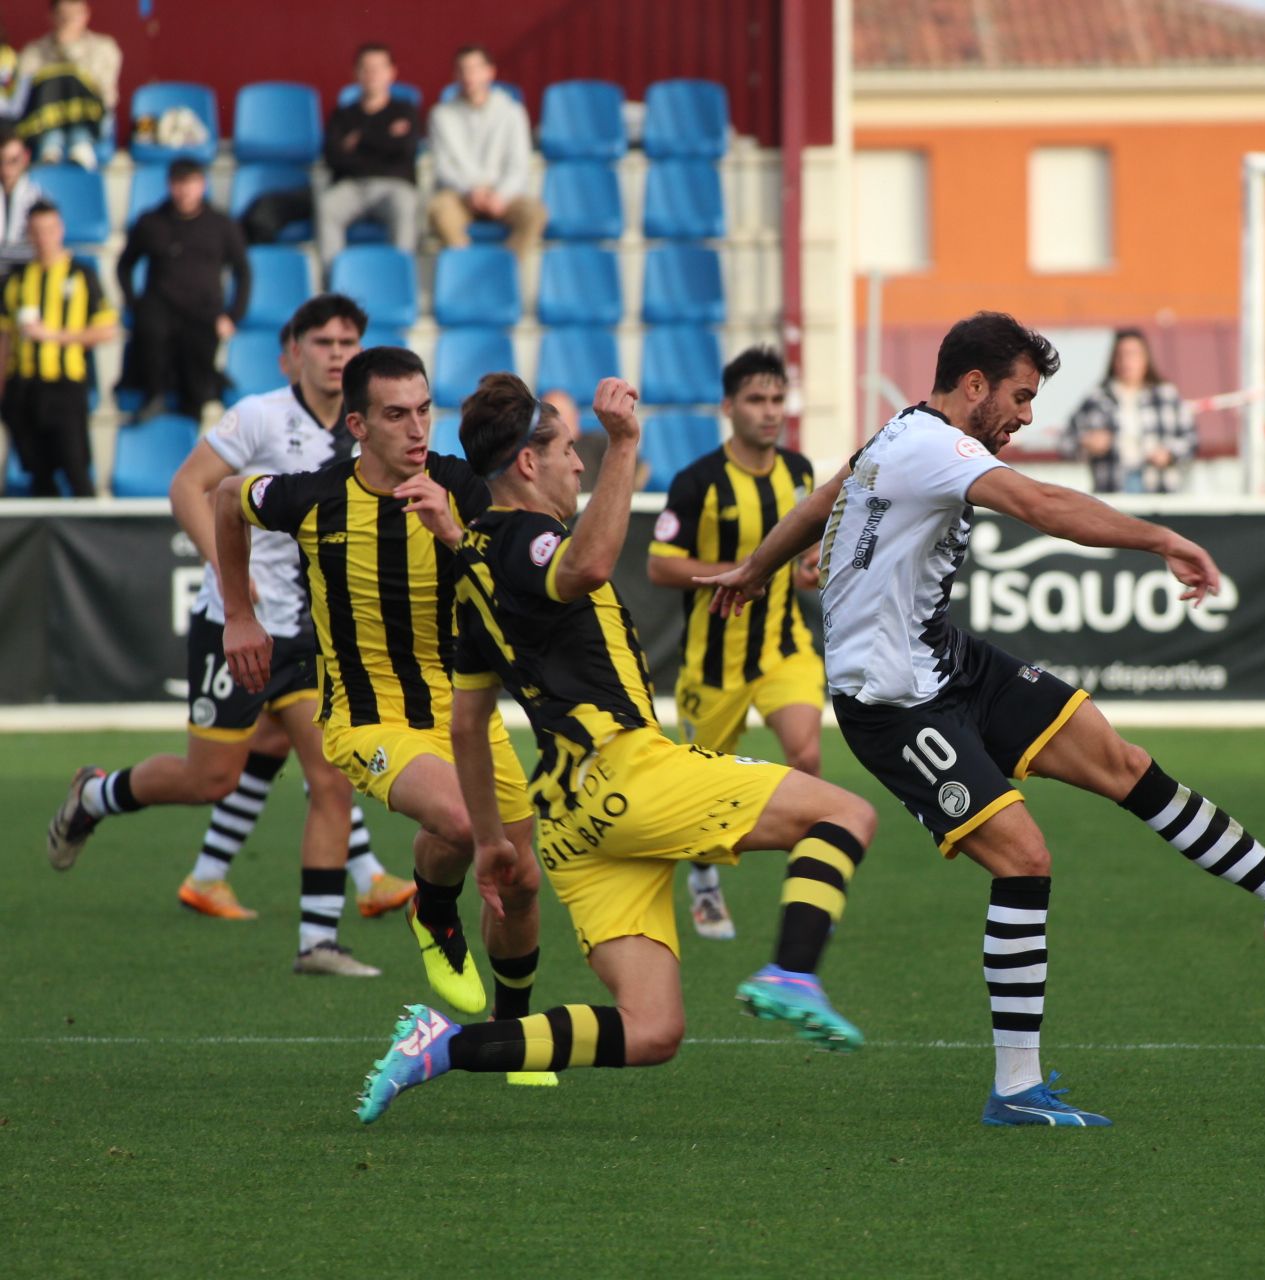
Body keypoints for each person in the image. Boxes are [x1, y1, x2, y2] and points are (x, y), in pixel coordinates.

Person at [703, 311, 1265, 1126]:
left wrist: (759, 564)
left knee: (1122, 762)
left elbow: (827, 493)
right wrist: (1161, 538)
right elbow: (1040, 505)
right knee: (1024, 860)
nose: (1027, 417)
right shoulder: (933, 444)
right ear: (973, 387)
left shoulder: (899, 433)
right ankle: (1014, 1089)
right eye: (1020, 397)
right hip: (892, 700)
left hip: (945, 660)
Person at [354, 373, 879, 1123]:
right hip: (624, 769)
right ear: (528, 464)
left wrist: (495, 841)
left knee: (652, 1030)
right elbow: (588, 566)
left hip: (570, 824)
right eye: (572, 450)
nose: (579, 465)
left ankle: (443, 1047)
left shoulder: (468, 566)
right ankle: (793, 972)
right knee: (845, 816)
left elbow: (470, 725)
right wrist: (626, 444)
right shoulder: (527, 537)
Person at [209, 346, 552, 1081]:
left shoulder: (464, 488)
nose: (417, 428)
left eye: (425, 410)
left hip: (466, 719)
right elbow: (224, 498)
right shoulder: (314, 497)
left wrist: (459, 538)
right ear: (358, 424)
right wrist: (239, 614)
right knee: (464, 824)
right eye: (396, 414)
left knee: (520, 878)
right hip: (368, 722)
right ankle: (431, 907)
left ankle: (512, 1031)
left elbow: (510, 595)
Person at [43, 295, 408, 973]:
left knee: (331, 778)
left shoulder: (365, 430)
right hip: (235, 626)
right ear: (290, 353)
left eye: (348, 341)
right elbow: (189, 486)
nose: (336, 354)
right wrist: (230, 576)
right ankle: (94, 794)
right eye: (322, 342)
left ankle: (317, 942)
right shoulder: (260, 416)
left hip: (309, 636)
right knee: (210, 778)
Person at [648, 346, 822, 940]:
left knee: (807, 755)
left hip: (782, 648)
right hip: (714, 664)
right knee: (704, 789)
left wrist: (807, 567)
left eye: (777, 399)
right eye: (756, 399)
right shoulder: (697, 482)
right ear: (728, 407)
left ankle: (809, 895)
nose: (770, 411)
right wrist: (742, 567)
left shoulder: (799, 472)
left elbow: (803, 553)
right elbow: (658, 564)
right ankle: (703, 880)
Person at [116, 157, 250, 421]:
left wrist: (233, 315)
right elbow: (124, 265)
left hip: (203, 311)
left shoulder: (222, 224)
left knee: (196, 377)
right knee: (149, 328)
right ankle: (153, 396)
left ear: (203, 185)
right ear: (169, 185)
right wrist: (134, 304)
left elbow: (243, 272)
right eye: (178, 184)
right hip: (161, 307)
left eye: (190, 183)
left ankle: (195, 410)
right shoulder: (151, 221)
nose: (184, 191)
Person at [0, 199, 114, 496]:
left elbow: (106, 329)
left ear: (60, 230)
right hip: (23, 387)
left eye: (49, 229)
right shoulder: (16, 280)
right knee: (37, 474)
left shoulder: (81, 275)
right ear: (28, 233)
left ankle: (89, 541)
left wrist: (54, 337)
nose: (43, 237)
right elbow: (5, 337)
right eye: (36, 231)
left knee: (75, 468)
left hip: (65, 386)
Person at [427, 45, 545, 254]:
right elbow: (443, 167)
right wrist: (471, 192)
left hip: (504, 197)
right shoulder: (441, 114)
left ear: (490, 72)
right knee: (439, 210)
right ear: (455, 74)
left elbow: (518, 165)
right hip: (461, 195)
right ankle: (465, 269)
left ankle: (502, 273)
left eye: (474, 69)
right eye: (462, 69)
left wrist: (500, 195)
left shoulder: (512, 112)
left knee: (535, 214)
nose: (468, 76)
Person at [317, 44, 419, 267]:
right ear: (355, 73)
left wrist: (359, 142)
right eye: (366, 68)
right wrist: (387, 140)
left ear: (392, 72)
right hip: (351, 187)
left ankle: (398, 281)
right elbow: (333, 158)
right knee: (327, 206)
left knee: (406, 204)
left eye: (378, 68)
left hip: (393, 186)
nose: (372, 74)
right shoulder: (343, 115)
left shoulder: (405, 111)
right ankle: (334, 287)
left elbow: (406, 152)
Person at [1064, 328, 1195, 494]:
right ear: (1113, 360)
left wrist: (1169, 454)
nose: (1127, 361)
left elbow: (1190, 440)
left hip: (1159, 493)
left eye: (1133, 354)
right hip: (1111, 493)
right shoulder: (1097, 399)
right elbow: (1066, 441)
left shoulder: (1167, 396)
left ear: (1146, 358)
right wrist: (1087, 443)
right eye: (1121, 355)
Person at [11, 0, 120, 168]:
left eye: (75, 13)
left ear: (86, 14)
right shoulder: (33, 52)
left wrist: (69, 50)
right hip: (46, 127)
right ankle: (50, 150)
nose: (69, 20)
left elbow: (106, 96)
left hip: (92, 124)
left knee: (73, 82)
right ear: (51, 17)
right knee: (52, 83)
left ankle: (81, 145)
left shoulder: (104, 48)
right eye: (64, 15)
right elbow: (25, 96)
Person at [0, 127, 46, 271]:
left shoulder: (37, 198)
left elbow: (40, 249)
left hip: (22, 277)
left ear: (25, 157)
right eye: (1, 160)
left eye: (13, 160)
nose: (6, 168)